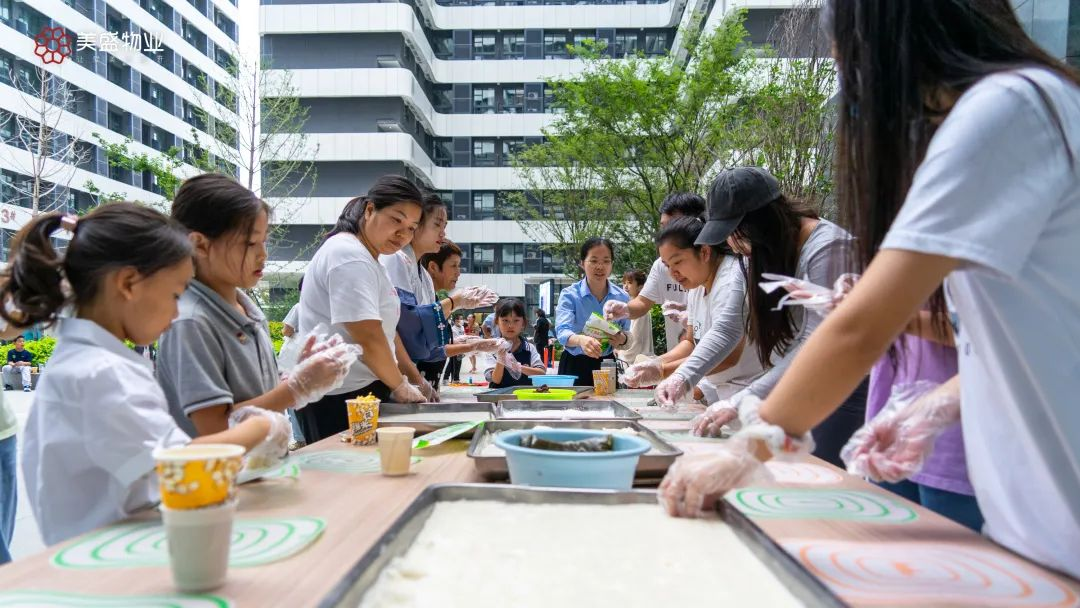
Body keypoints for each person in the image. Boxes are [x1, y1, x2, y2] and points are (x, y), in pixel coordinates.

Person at [660, 0, 1080, 579]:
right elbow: (1031, 328)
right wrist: (942, 400)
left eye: (848, 64)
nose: (852, 91)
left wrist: (751, 446)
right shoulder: (1039, 103)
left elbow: (859, 327)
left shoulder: (1005, 108)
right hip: (1039, 530)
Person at [3, 204, 290, 545]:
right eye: (174, 295)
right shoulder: (100, 373)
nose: (176, 313)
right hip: (114, 556)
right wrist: (261, 426)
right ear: (128, 283)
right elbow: (178, 464)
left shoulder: (90, 362)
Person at [679, 168, 864, 468]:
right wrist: (683, 378)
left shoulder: (828, 249)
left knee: (820, 478)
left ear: (763, 222)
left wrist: (742, 399)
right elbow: (729, 328)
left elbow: (816, 344)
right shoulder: (761, 254)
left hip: (842, 391)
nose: (734, 245)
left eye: (737, 233)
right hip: (799, 385)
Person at [158, 174, 355, 439]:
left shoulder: (245, 309)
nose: (263, 254)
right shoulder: (191, 322)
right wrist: (296, 388)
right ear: (200, 245)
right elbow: (214, 429)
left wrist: (299, 374)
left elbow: (259, 396)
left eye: (264, 241)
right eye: (250, 243)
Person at [298, 176, 431, 442]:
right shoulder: (349, 255)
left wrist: (406, 378)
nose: (403, 233)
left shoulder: (368, 258)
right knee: (347, 467)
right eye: (396, 220)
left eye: (411, 227)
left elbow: (384, 332)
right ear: (370, 210)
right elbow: (368, 337)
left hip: (360, 390)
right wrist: (400, 385)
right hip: (340, 397)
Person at [625, 218, 763, 404]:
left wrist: (664, 371)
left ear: (704, 252)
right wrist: (656, 362)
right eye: (667, 266)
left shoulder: (730, 282)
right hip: (724, 392)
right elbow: (690, 342)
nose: (673, 273)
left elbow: (728, 356)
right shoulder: (696, 285)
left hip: (755, 392)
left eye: (678, 262)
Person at [383, 195, 498, 391]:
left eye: (444, 226)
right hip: (390, 376)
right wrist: (455, 302)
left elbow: (427, 342)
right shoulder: (395, 259)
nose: (443, 233)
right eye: (437, 225)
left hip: (408, 375)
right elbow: (406, 325)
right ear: (415, 224)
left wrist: (469, 343)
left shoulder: (423, 276)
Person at [604, 193, 705, 352]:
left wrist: (693, 316)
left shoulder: (719, 273)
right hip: (683, 353)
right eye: (663, 227)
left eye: (678, 262)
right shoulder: (660, 266)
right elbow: (643, 302)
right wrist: (626, 309)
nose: (673, 273)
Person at [555, 237, 630, 386]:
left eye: (606, 261)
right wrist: (580, 340)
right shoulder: (570, 295)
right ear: (582, 263)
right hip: (574, 363)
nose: (600, 267)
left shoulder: (622, 297)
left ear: (612, 264)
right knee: (573, 402)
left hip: (607, 363)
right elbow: (562, 332)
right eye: (594, 261)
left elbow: (627, 334)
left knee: (609, 400)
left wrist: (621, 339)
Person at [486, 299, 546, 388]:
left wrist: (519, 367)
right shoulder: (492, 348)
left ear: (523, 323)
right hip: (499, 395)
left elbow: (541, 373)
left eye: (516, 320)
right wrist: (501, 358)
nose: (510, 325)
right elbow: (496, 379)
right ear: (497, 321)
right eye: (505, 320)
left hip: (524, 395)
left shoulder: (529, 348)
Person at [615, 270, 654, 364]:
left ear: (640, 287)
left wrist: (621, 352)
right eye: (624, 283)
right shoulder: (629, 305)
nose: (625, 286)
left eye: (630, 283)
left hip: (636, 359)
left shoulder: (639, 308)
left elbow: (636, 339)